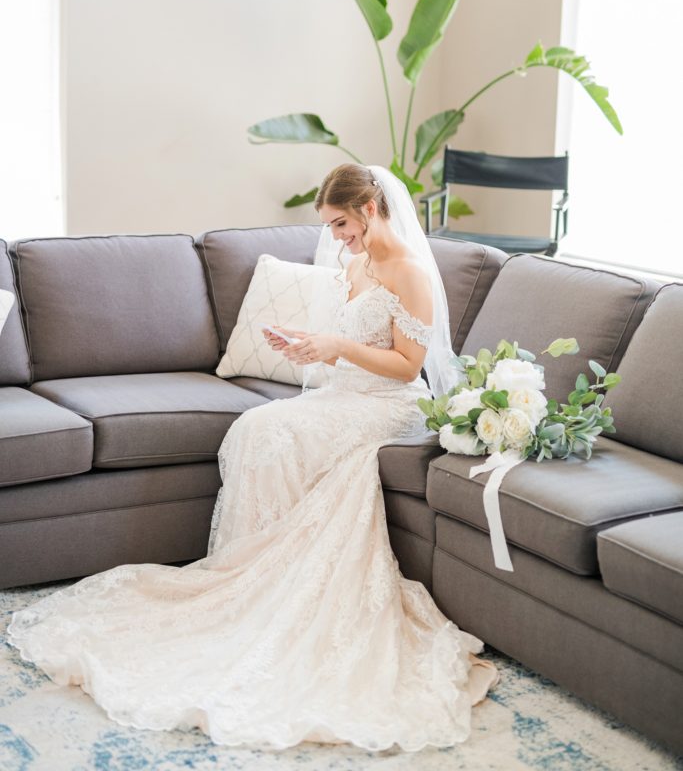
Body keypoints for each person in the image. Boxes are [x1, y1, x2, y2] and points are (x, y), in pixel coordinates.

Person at [7, 163, 497, 751]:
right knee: (254, 427)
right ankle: (251, 575)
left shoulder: (410, 270)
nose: (336, 237)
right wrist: (306, 345)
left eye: (341, 224)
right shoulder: (355, 262)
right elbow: (345, 346)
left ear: (370, 209)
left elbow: (407, 365)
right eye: (331, 227)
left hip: (390, 406)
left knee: (276, 432)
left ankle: (276, 585)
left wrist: (337, 346)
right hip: (346, 394)